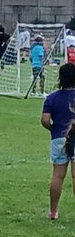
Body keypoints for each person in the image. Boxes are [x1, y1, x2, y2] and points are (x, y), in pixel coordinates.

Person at [42, 63, 75, 220]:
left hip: (59, 137)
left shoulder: (52, 98)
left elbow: (45, 120)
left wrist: (53, 129)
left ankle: (53, 211)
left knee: (58, 176)